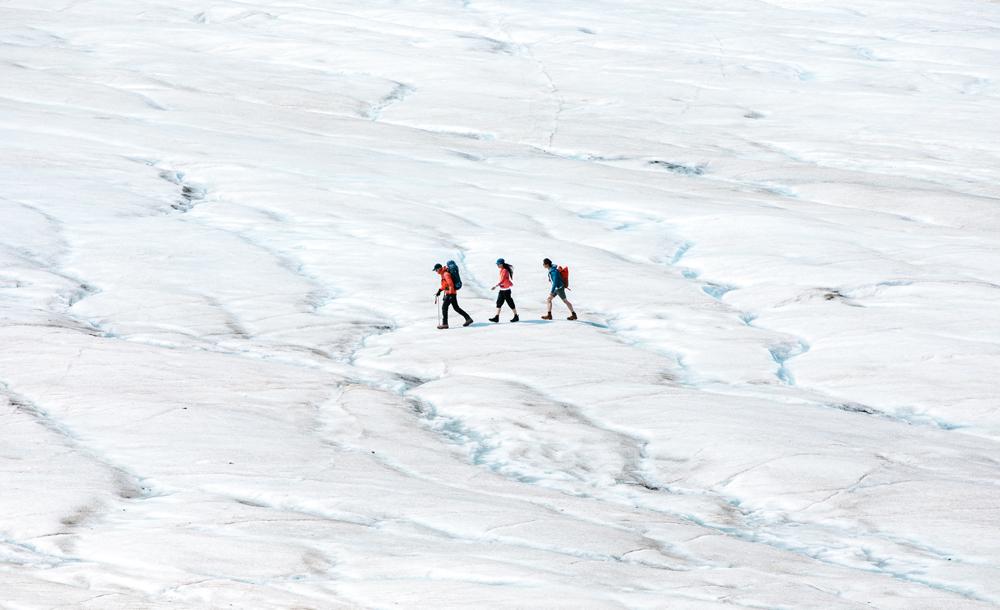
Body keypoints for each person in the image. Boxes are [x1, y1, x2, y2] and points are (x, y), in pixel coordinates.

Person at [434, 263, 473, 329]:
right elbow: (445, 285)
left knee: (444, 308)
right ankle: (468, 318)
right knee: (456, 308)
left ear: (439, 268)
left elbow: (451, 284)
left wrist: (451, 294)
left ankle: (445, 324)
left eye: (436, 270)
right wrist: (439, 290)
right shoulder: (443, 274)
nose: (436, 271)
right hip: (451, 293)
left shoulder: (445, 274)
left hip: (450, 293)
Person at [489, 258, 519, 323]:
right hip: (502, 290)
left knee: (510, 303)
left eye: (498, 264)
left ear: (502, 264)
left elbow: (502, 280)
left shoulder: (505, 271)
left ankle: (516, 316)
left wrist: (495, 286)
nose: (497, 265)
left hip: (506, 291)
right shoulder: (502, 270)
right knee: (499, 303)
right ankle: (496, 317)